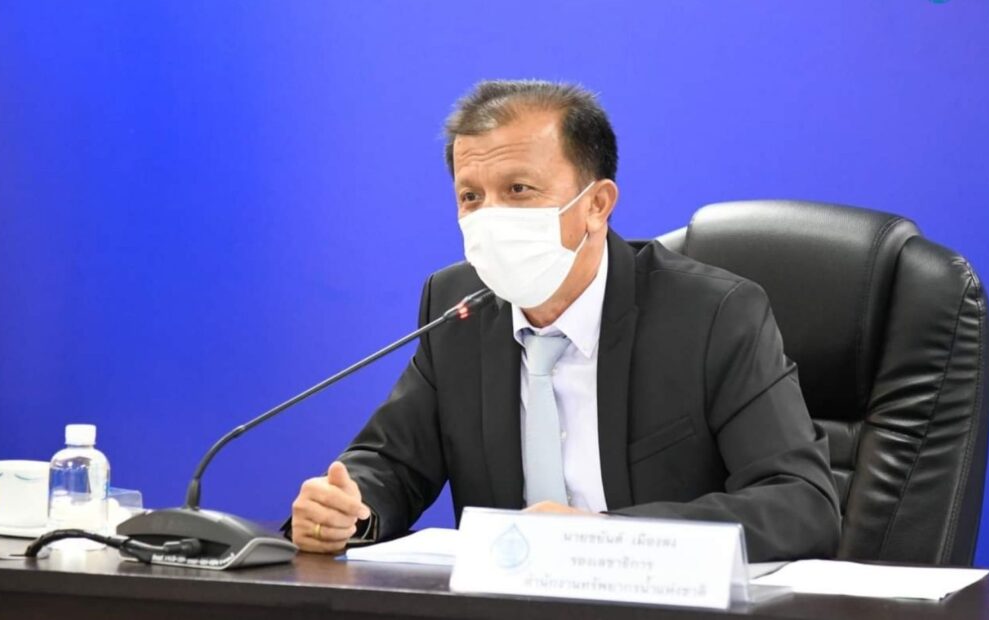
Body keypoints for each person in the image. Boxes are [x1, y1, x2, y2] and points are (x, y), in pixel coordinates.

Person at [288, 80, 840, 561]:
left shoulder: (711, 315)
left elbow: (800, 504)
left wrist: (603, 536)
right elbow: (393, 462)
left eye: (518, 190)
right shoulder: (458, 307)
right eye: (471, 196)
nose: (490, 217)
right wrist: (351, 507)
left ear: (596, 205)